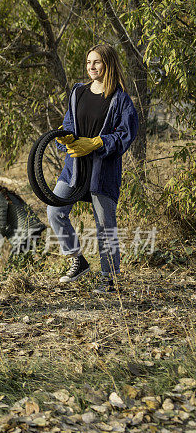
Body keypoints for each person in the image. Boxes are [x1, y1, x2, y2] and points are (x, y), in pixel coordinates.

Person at [48, 44, 138, 293]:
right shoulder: (78, 92)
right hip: (75, 167)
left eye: (96, 62)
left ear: (108, 64)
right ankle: (78, 259)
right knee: (54, 210)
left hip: (102, 171)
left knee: (105, 224)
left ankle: (109, 280)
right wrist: (65, 137)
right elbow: (69, 121)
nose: (91, 67)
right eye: (89, 62)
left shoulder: (120, 99)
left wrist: (99, 142)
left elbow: (126, 134)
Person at [0, 177, 46, 254]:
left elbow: (0, 227)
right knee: (34, 260)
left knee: (15, 264)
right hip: (33, 229)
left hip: (25, 234)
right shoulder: (5, 194)